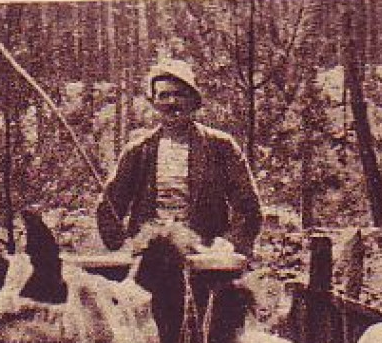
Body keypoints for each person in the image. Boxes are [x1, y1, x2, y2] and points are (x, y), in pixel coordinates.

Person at [95, 60, 264, 257]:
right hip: (148, 257)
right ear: (154, 102)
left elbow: (248, 207)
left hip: (204, 254)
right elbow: (108, 209)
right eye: (164, 95)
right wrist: (123, 245)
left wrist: (228, 245)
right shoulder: (138, 151)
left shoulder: (220, 146)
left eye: (179, 94)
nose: (172, 102)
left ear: (192, 100)